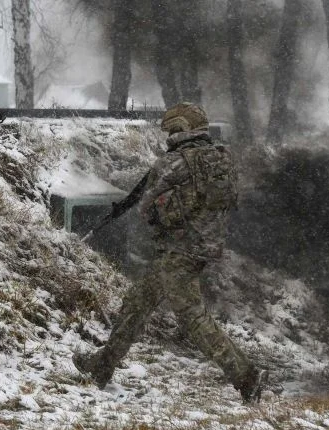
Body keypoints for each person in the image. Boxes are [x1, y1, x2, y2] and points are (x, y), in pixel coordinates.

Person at [73, 103, 268, 402]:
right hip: (201, 248)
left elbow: (147, 207)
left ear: (179, 129)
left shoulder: (172, 163)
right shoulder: (220, 158)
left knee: (193, 318)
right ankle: (102, 366)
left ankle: (246, 377)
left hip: (178, 250)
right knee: (137, 304)